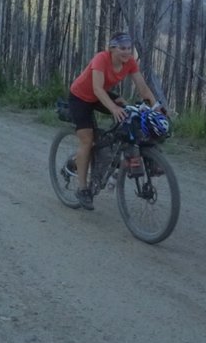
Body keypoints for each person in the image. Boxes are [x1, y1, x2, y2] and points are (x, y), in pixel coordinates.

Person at [67, 31, 159, 210]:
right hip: (80, 98)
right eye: (122, 48)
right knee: (87, 140)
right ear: (112, 49)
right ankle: (82, 189)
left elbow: (143, 88)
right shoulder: (101, 59)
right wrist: (113, 108)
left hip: (99, 95)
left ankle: (107, 151)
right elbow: (97, 89)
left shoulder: (130, 62)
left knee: (128, 115)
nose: (126, 52)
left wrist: (156, 108)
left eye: (129, 48)